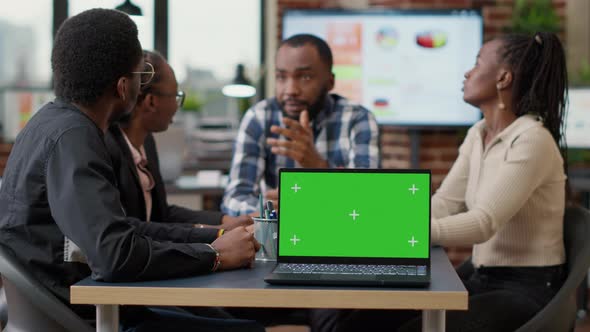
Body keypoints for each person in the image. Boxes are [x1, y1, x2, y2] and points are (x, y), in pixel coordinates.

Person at [0, 9, 262, 332]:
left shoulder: (50, 122)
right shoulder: (74, 139)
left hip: (77, 305)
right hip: (82, 316)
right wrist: (214, 256)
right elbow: (115, 256)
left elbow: (123, 230)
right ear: (124, 87)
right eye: (142, 73)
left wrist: (216, 238)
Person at [311, 32, 569, 332]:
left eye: (476, 63)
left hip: (525, 288)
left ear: (503, 78)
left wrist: (398, 235)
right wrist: (384, 223)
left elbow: (483, 223)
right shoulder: (479, 133)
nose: (467, 72)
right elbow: (445, 203)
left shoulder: (532, 139)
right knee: (357, 323)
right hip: (481, 277)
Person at [221, 34, 380, 216]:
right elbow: (234, 199)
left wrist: (318, 166)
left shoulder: (358, 119)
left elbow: (367, 200)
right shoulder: (259, 117)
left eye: (305, 77)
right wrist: (274, 210)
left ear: (330, 82)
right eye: (281, 77)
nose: (290, 90)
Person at [105, 50, 251, 232]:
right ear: (151, 101)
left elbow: (162, 215)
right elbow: (133, 230)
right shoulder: (107, 150)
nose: (176, 106)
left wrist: (226, 219)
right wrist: (216, 233)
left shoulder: (146, 143)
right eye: (175, 96)